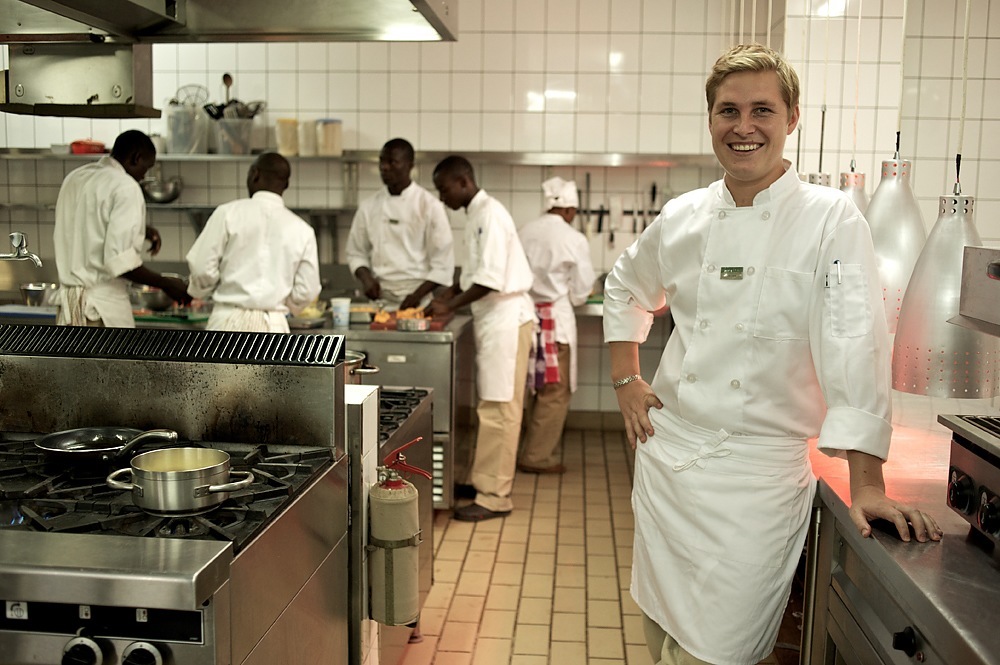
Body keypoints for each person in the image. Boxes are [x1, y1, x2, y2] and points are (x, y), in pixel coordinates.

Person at [603, 44, 943, 665]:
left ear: (791, 119)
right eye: (728, 110)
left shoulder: (831, 220)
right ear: (710, 120)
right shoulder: (682, 216)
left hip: (758, 479)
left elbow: (855, 347)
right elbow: (624, 286)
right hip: (668, 459)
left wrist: (868, 482)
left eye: (763, 109)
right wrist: (626, 376)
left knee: (722, 650)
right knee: (662, 634)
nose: (744, 126)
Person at [428, 155, 535, 522]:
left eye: (444, 190)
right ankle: (483, 481)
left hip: (506, 317)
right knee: (489, 404)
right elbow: (474, 271)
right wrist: (449, 294)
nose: (442, 198)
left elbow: (488, 280)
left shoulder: (489, 214)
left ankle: (494, 497)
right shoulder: (475, 215)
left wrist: (449, 306)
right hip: (492, 318)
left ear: (463, 182)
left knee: (500, 408)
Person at [53, 130, 191, 327]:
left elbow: (87, 224)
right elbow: (119, 263)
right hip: (100, 313)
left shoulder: (75, 178)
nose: (144, 176)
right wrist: (166, 283)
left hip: (69, 308)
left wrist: (141, 229)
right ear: (136, 158)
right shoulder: (126, 186)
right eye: (147, 167)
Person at [186, 152, 321, 333]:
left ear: (254, 174)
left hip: (227, 323)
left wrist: (201, 291)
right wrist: (278, 302)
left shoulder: (227, 213)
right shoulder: (303, 230)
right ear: (286, 184)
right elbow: (307, 291)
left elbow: (202, 268)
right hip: (274, 328)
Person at [516, 176, 595, 474]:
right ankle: (537, 457)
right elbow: (580, 290)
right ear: (570, 210)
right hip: (555, 325)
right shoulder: (573, 239)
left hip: (525, 321)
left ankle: (525, 449)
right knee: (554, 392)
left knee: (530, 389)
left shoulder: (525, 231)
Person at [346, 138, 454, 310]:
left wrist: (416, 296)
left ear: (410, 165)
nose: (384, 167)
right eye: (382, 161)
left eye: (392, 162)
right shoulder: (369, 206)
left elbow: (443, 263)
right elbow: (355, 252)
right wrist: (366, 280)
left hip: (417, 303)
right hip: (379, 302)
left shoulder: (429, 206)